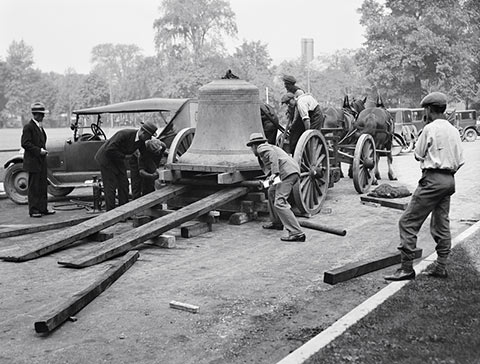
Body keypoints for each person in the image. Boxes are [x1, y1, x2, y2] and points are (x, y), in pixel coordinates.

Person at [384, 92, 464, 281]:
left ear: (428, 109)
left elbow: (418, 154)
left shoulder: (429, 129)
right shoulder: (453, 130)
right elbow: (460, 160)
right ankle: (441, 266)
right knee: (441, 223)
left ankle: (406, 268)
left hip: (432, 179)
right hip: (449, 180)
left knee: (408, 222)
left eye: (425, 110)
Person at [246, 133, 306, 242]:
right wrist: (265, 183)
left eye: (251, 147)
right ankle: (277, 223)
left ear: (254, 145)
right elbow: (277, 176)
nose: (252, 150)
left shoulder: (262, 148)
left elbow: (272, 156)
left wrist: (274, 173)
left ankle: (297, 233)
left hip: (287, 172)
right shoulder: (270, 147)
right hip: (289, 172)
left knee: (280, 202)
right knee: (271, 192)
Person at [94, 121, 157, 211]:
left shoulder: (141, 141)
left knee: (124, 184)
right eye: (149, 136)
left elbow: (145, 157)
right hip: (106, 159)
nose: (149, 138)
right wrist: (125, 156)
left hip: (117, 160)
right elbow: (109, 149)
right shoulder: (124, 134)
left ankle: (123, 211)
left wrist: (154, 170)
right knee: (110, 186)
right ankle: (110, 213)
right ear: (143, 132)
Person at [21, 102, 56, 218]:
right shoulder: (28, 127)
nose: (43, 117)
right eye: (41, 114)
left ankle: (43, 208)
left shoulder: (39, 127)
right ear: (36, 115)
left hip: (41, 161)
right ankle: (34, 210)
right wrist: (39, 151)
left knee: (42, 186)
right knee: (34, 187)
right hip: (33, 162)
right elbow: (25, 143)